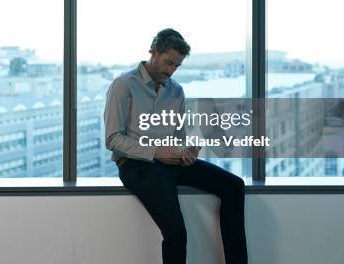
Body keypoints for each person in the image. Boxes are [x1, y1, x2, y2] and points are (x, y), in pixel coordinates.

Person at [104, 28, 248, 264]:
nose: (170, 70)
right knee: (176, 232)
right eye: (168, 62)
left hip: (170, 162)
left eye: (177, 66)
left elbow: (177, 136)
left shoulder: (176, 90)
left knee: (234, 186)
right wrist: (157, 152)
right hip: (136, 166)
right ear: (154, 51)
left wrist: (186, 151)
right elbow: (113, 139)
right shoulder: (124, 85)